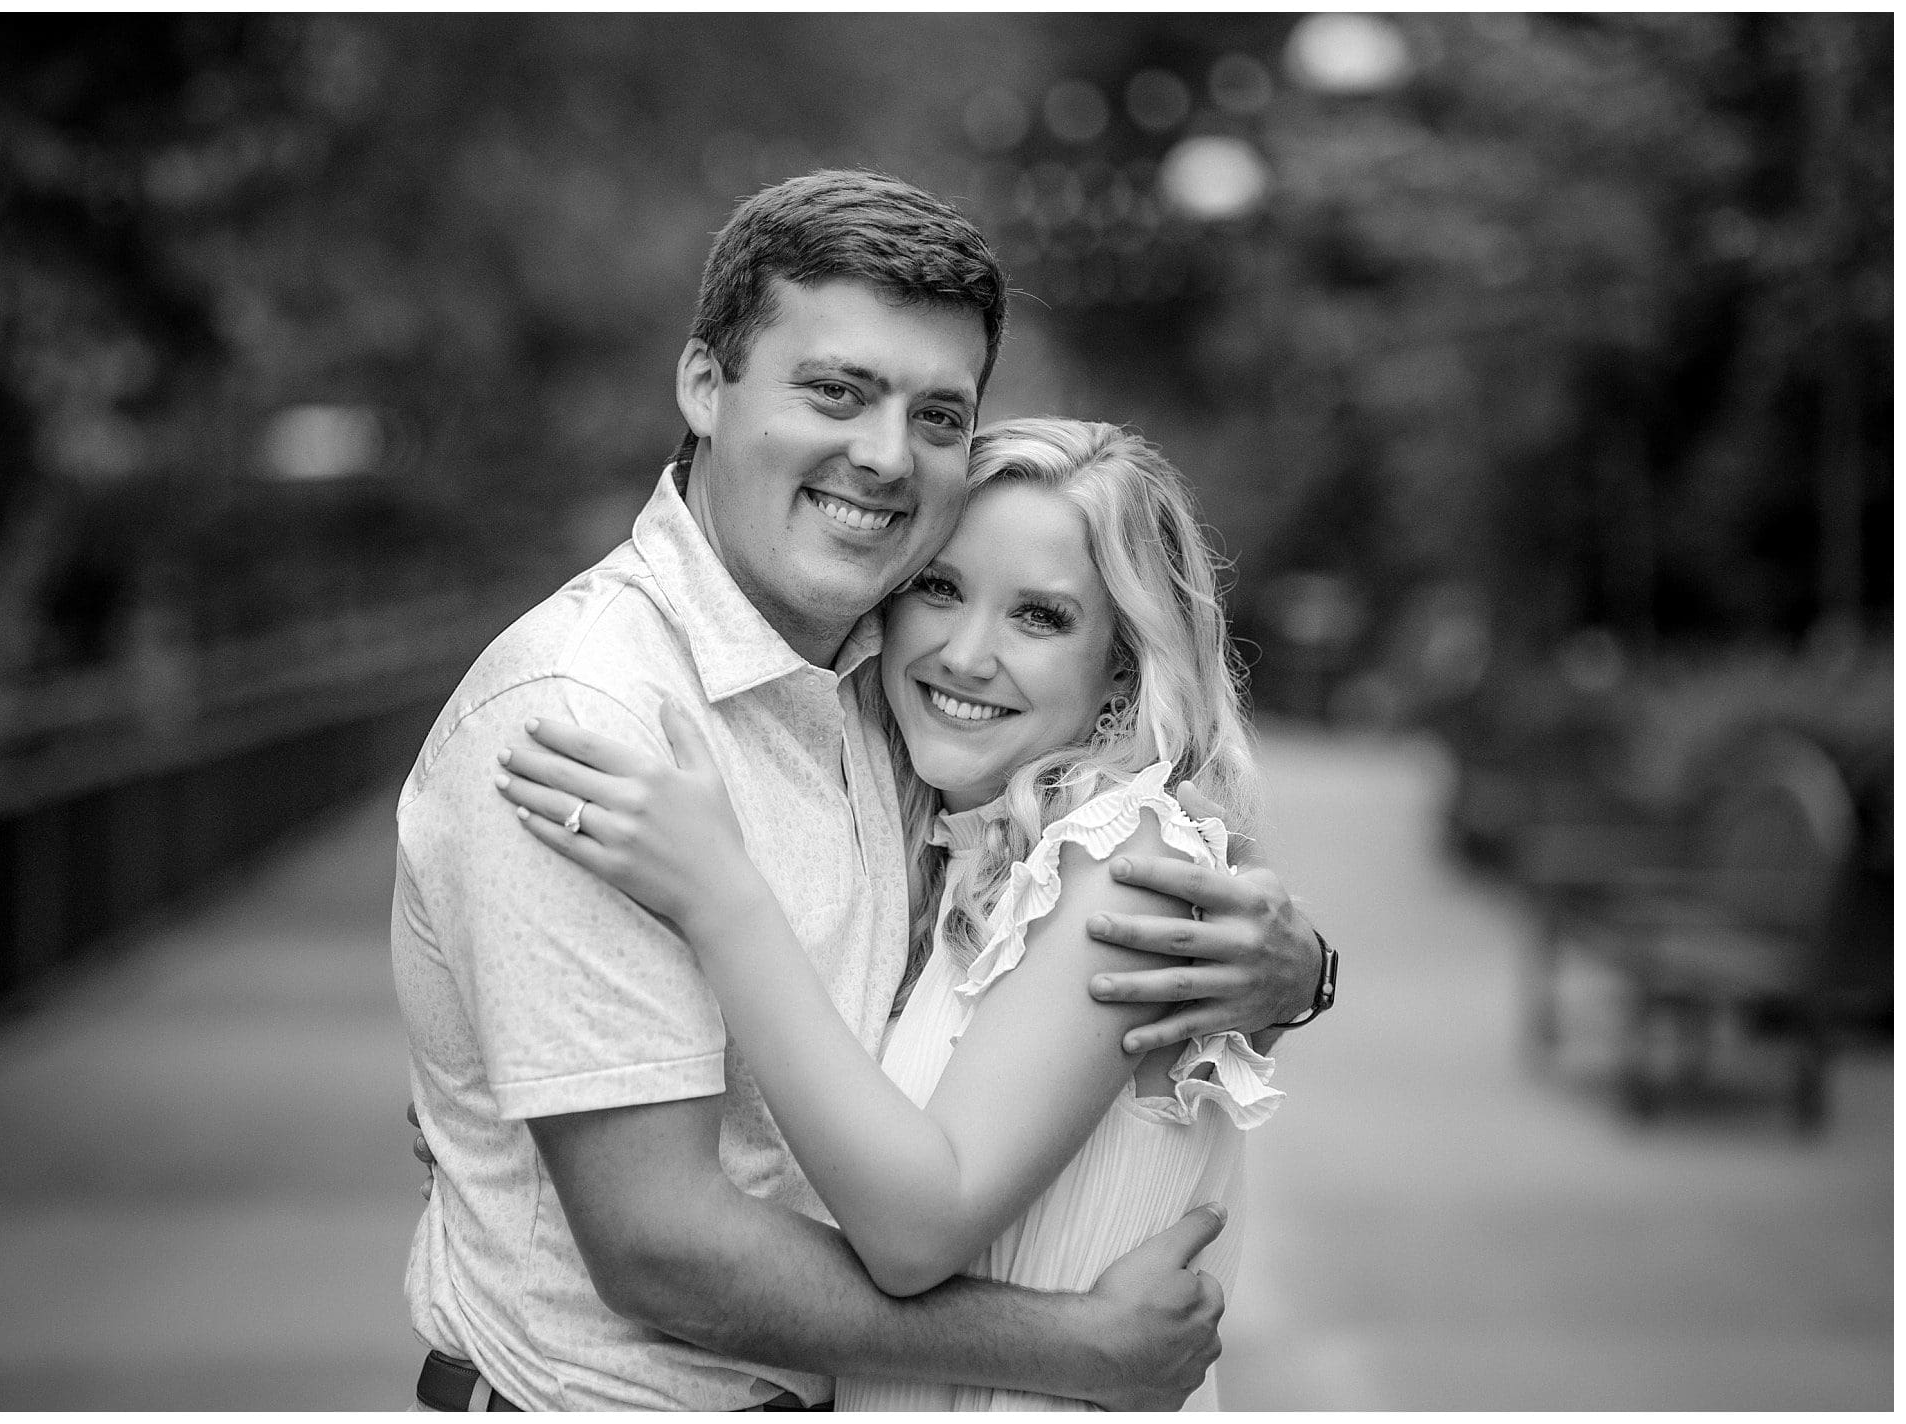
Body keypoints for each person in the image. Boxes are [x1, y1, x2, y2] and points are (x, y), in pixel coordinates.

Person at [392, 170, 1330, 1412]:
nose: (885, 454)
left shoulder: (880, 702)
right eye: (836, 390)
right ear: (705, 384)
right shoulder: (591, 715)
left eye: (938, 414)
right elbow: (659, 1243)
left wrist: (1299, 974)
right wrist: (1073, 1346)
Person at [494, 417, 1294, 1409]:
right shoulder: (952, 853)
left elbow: (918, 1232)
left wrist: (719, 893)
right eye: (940, 589)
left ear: (1124, 666)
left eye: (1040, 617)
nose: (967, 653)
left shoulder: (1126, 862)